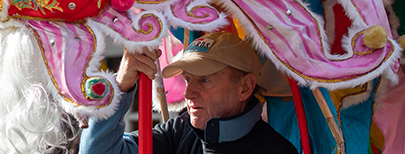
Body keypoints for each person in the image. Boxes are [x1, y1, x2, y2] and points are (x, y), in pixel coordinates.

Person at [78, 32, 299, 154]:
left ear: (245, 87)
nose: (189, 93)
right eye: (187, 79)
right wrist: (120, 86)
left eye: (204, 79)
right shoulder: (180, 131)